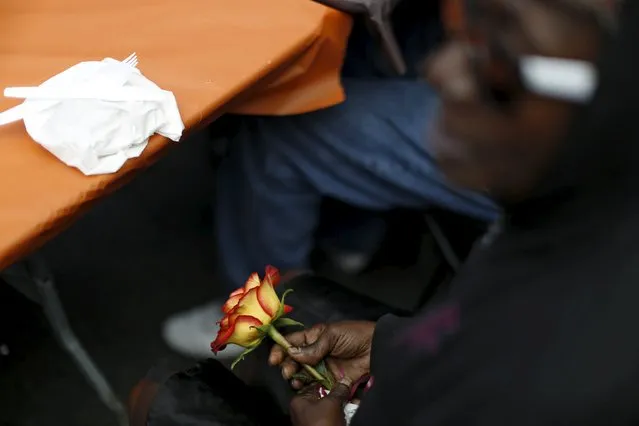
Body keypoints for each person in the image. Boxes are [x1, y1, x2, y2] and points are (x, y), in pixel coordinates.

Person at [266, 0, 639, 424]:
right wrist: (388, 345)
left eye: (499, 65)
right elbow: (493, 319)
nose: (440, 70)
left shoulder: (562, 390)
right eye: (467, 31)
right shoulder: (564, 218)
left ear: (615, 102)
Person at [162, 0, 498, 359]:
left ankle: (254, 316)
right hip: (517, 63)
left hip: (545, 147)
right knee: (358, 49)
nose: (439, 70)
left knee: (281, 135)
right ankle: (349, 230)